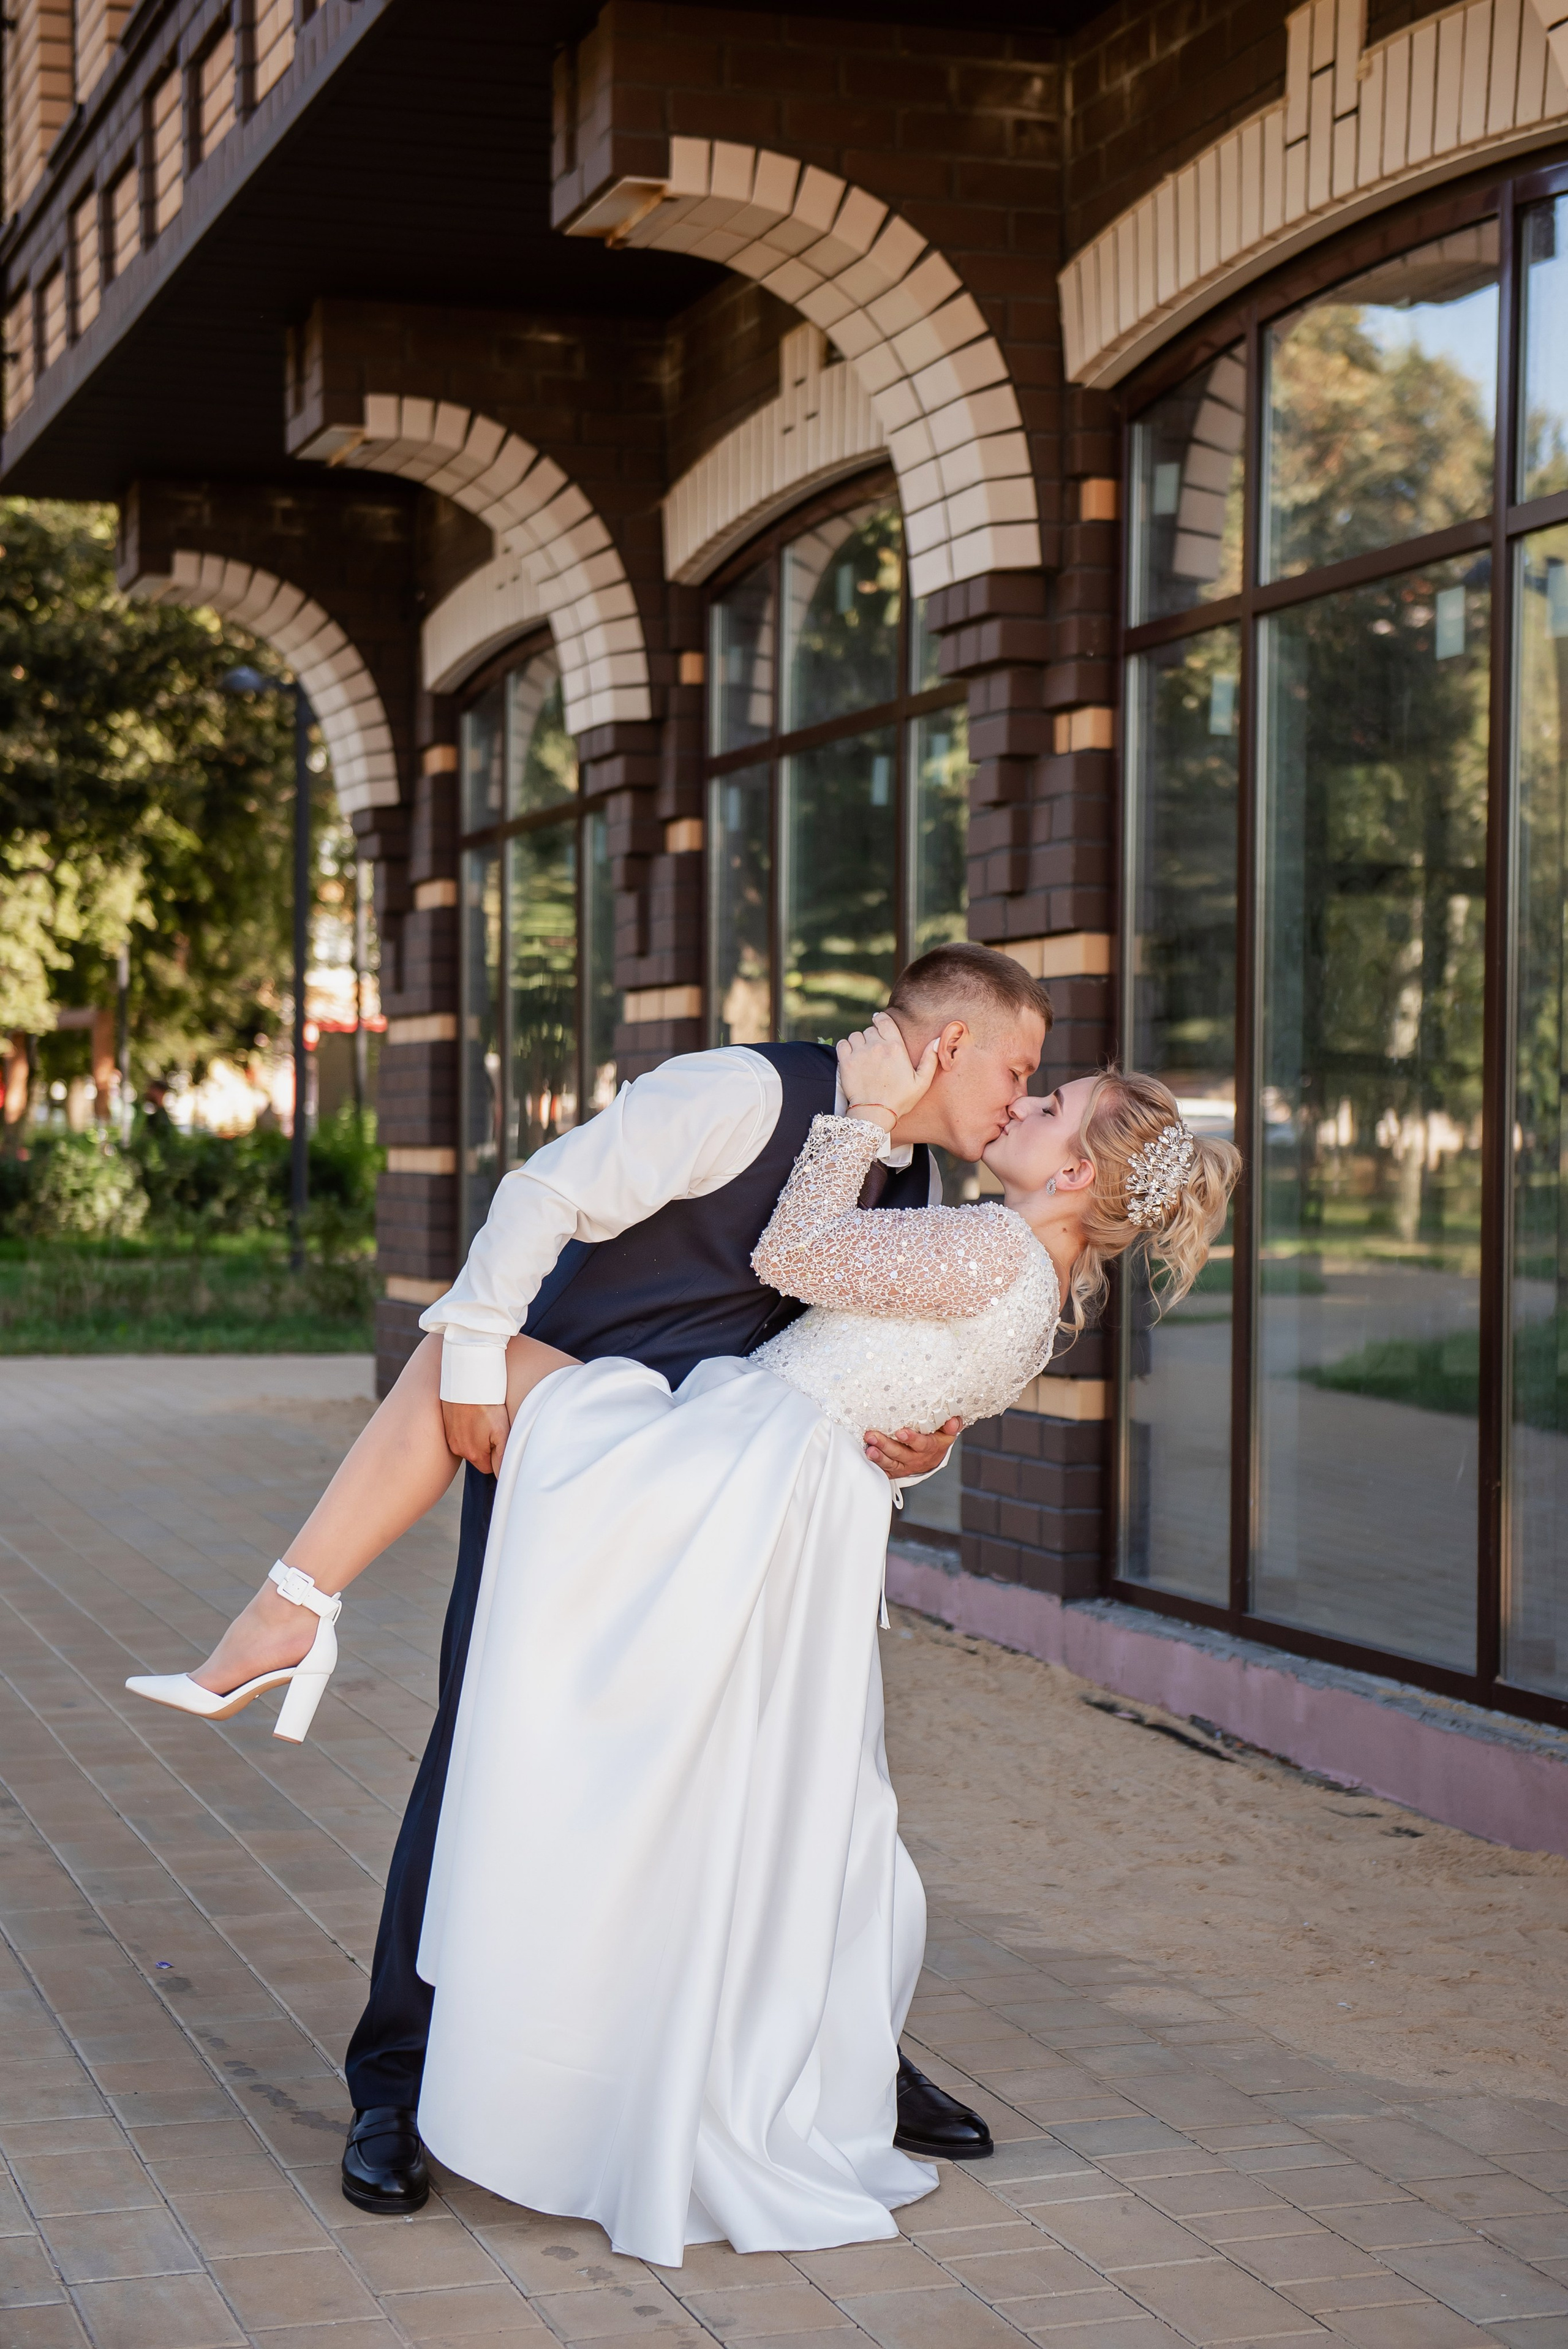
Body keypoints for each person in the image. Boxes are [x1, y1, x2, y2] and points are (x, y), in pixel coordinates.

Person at [124, 944, 1237, 2251]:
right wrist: (481, 1343)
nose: (1023, 1092)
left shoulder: (940, 1190)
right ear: (945, 1051)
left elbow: (861, 1318)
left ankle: (821, 2060)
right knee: (508, 1753)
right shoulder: (742, 1093)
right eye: (1020, 1071)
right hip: (615, 1457)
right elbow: (548, 1191)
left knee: (787, 1804)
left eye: (1047, 1094)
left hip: (722, 1483)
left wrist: (925, 1436)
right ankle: (403, 2084)